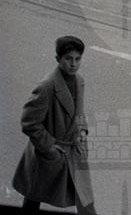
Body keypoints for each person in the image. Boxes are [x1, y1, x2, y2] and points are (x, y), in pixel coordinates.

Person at [12, 36, 97, 214]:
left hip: (74, 150)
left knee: (86, 202)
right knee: (34, 196)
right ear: (58, 59)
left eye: (78, 59)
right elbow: (29, 122)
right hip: (52, 152)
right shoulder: (47, 86)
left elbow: (79, 112)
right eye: (68, 59)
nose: (73, 64)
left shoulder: (79, 81)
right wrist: (50, 148)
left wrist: (82, 131)